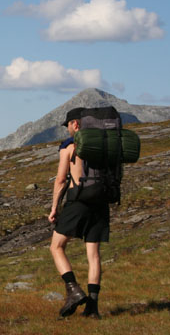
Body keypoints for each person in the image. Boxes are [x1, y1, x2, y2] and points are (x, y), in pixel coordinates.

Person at [48, 107, 109, 319]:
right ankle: (93, 308)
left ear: (76, 124)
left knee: (56, 247)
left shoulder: (69, 148)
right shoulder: (103, 146)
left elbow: (61, 180)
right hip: (100, 203)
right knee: (93, 255)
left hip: (78, 201)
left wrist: (55, 206)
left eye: (68, 125)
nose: (68, 130)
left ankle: (73, 290)